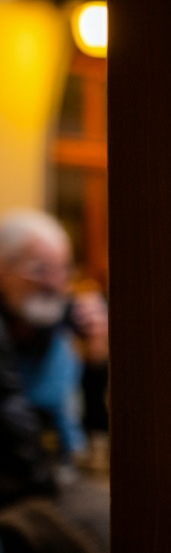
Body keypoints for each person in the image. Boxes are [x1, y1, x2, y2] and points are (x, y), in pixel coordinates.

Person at [0, 210, 107, 504]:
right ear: (2, 270)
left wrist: (97, 360)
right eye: (40, 269)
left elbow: (95, 426)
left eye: (63, 269)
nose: (54, 282)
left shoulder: (67, 328)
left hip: (55, 478)